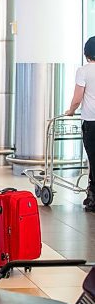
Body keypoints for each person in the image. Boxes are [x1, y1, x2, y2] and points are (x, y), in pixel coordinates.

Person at [65, 36, 95, 212]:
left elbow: (77, 98)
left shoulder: (83, 71)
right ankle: (92, 196)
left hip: (91, 122)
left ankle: (93, 199)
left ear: (86, 54)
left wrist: (70, 110)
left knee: (93, 159)